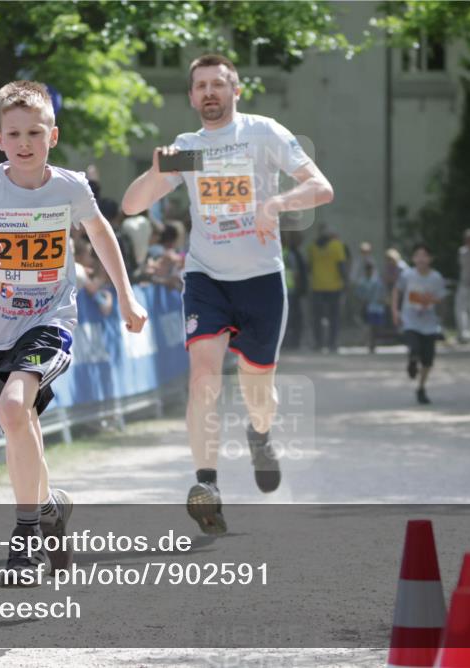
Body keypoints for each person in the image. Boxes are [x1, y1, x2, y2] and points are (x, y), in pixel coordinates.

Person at [121, 53, 333, 534]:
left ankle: (259, 435)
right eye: (201, 86)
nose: (210, 93)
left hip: (260, 280)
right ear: (192, 96)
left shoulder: (262, 134)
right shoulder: (188, 148)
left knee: (259, 394)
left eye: (219, 84)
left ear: (236, 91)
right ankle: (207, 484)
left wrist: (277, 202)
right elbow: (132, 204)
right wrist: (156, 172)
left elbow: (321, 188)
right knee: (203, 378)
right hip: (206, 278)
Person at [0, 80, 147, 582]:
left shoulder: (70, 187)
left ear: (52, 136)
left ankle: (24, 542)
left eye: (35, 131)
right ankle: (51, 506)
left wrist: (126, 294)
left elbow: (101, 235)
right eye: (14, 133)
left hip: (50, 320)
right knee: (20, 426)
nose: (25, 142)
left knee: (16, 407)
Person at [392, 244, 446, 405]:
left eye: (424, 255)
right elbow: (396, 291)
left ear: (430, 259)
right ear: (414, 258)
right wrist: (395, 311)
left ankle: (421, 387)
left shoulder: (436, 277)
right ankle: (412, 361)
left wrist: (429, 300)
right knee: (414, 347)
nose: (421, 258)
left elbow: (441, 298)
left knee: (428, 361)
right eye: (417, 255)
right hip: (410, 321)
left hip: (429, 324)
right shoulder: (407, 275)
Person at [308, 223, 347, 353]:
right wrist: (346, 283)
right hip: (334, 287)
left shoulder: (312, 247)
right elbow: (341, 266)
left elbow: (309, 266)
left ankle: (319, 343)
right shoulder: (337, 245)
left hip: (317, 286)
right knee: (334, 317)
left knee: (317, 317)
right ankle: (332, 343)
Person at [281, 230, 308, 350]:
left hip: (284, 290)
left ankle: (288, 342)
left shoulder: (278, 253)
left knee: (287, 317)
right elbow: (296, 274)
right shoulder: (289, 254)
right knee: (291, 317)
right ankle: (291, 342)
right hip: (290, 290)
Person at [355, 260, 387, 353]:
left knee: (377, 327)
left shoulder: (378, 281)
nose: (369, 271)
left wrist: (384, 300)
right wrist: (362, 301)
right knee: (370, 326)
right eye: (367, 269)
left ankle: (374, 342)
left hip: (378, 307)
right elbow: (358, 294)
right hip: (368, 307)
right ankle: (371, 344)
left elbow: (383, 292)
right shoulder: (362, 281)